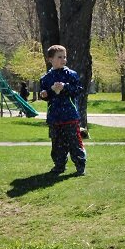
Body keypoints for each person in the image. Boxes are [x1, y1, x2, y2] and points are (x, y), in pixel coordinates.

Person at [39, 44, 86, 176]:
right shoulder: (45, 78)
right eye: (59, 57)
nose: (63, 59)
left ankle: (80, 166)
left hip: (70, 116)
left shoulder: (71, 74)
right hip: (55, 117)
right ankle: (59, 165)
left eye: (64, 57)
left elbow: (78, 90)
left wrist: (65, 87)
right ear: (50, 59)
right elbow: (45, 95)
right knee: (57, 144)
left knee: (75, 143)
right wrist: (46, 93)